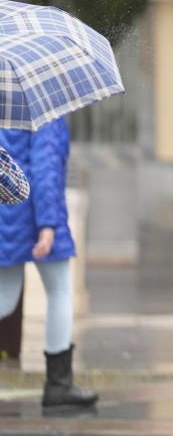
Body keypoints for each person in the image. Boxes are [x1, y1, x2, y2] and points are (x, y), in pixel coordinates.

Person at [0, 118, 97, 407]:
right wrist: (48, 224)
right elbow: (45, 168)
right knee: (59, 292)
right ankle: (58, 384)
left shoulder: (6, 104)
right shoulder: (45, 112)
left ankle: (59, 384)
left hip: (6, 216)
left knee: (5, 298)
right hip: (35, 215)